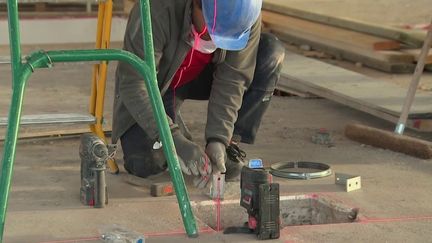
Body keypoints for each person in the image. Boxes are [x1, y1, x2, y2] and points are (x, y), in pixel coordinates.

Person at [112, 0, 285, 186]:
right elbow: (134, 84)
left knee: (270, 52)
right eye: (213, 30)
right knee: (145, 164)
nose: (215, 41)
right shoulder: (155, 9)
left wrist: (219, 138)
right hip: (159, 81)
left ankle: (228, 147)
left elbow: (233, 79)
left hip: (202, 75)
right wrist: (173, 139)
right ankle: (171, 122)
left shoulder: (244, 13)